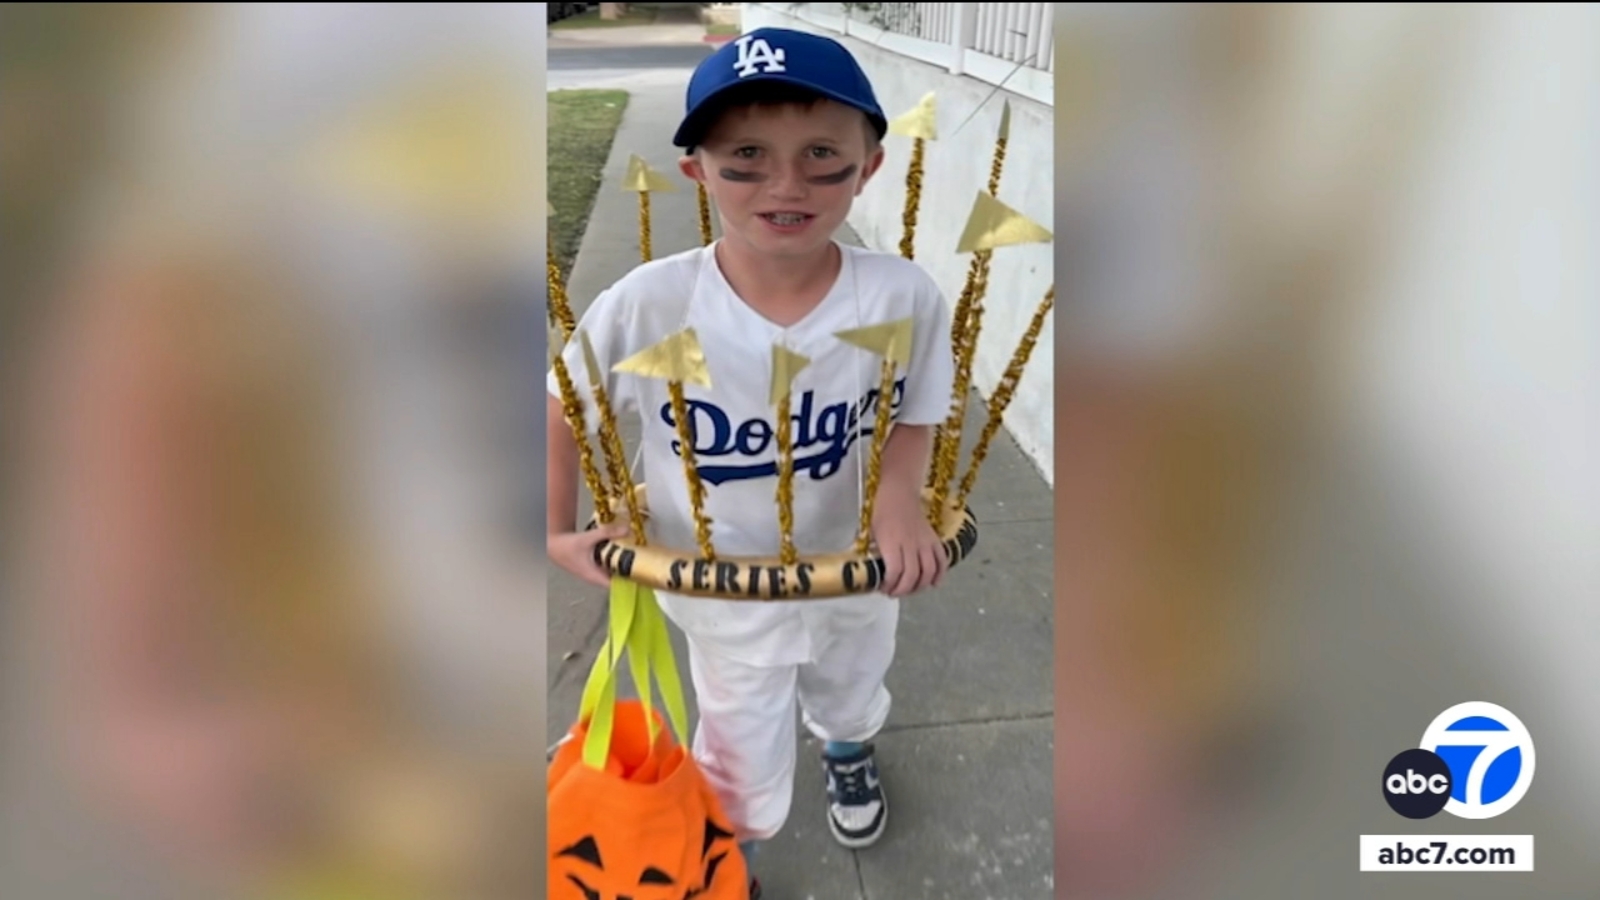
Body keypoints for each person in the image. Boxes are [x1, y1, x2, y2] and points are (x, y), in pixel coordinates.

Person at [546, 27, 955, 895]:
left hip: (854, 571)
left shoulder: (901, 295)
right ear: (696, 169)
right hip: (718, 585)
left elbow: (918, 408)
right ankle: (729, 860)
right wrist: (551, 528)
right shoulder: (651, 302)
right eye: (745, 159)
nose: (786, 185)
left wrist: (900, 502)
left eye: (822, 157)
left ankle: (848, 750)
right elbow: (560, 407)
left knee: (851, 686)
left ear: (870, 166)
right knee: (737, 750)